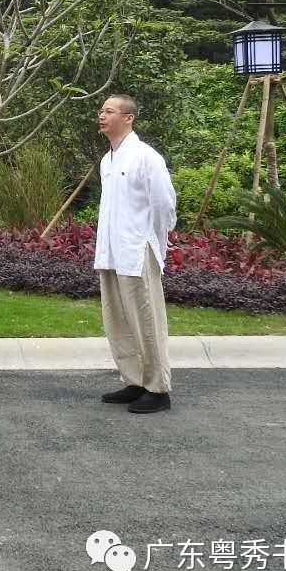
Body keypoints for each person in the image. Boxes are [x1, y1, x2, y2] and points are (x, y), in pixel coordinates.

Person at [94, 94, 177, 414]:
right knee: (118, 320)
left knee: (146, 320)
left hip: (136, 251)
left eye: (109, 111)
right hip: (111, 251)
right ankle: (135, 380)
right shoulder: (108, 160)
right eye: (101, 111)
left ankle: (158, 388)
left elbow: (164, 205)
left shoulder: (146, 157)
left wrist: (152, 242)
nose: (102, 115)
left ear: (128, 118)